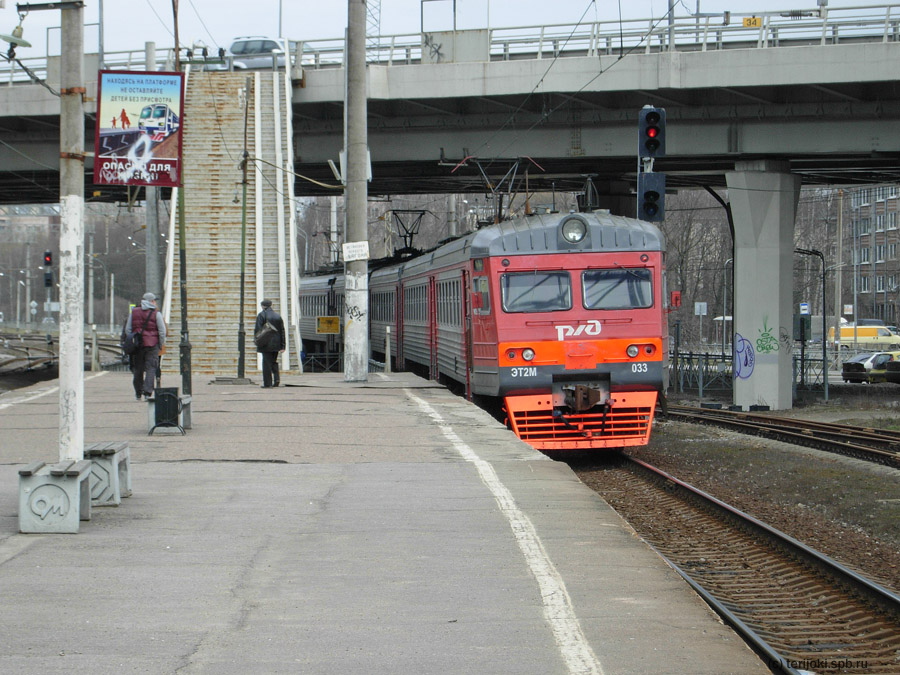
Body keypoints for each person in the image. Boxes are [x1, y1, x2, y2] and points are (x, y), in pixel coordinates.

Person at [126, 292, 166, 401]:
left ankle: (138, 392)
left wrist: (133, 340)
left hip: (138, 345)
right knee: (151, 368)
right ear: (152, 301)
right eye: (154, 300)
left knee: (138, 369)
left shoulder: (133, 312)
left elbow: (128, 329)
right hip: (152, 344)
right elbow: (162, 331)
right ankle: (148, 392)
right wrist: (160, 343)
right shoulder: (156, 313)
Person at [255, 298, 285, 388]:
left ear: (263, 306)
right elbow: (282, 331)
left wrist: (257, 341)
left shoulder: (261, 315)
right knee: (273, 362)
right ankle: (276, 379)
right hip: (276, 344)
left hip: (266, 343)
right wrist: (283, 345)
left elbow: (258, 330)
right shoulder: (277, 316)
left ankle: (267, 383)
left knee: (266, 364)